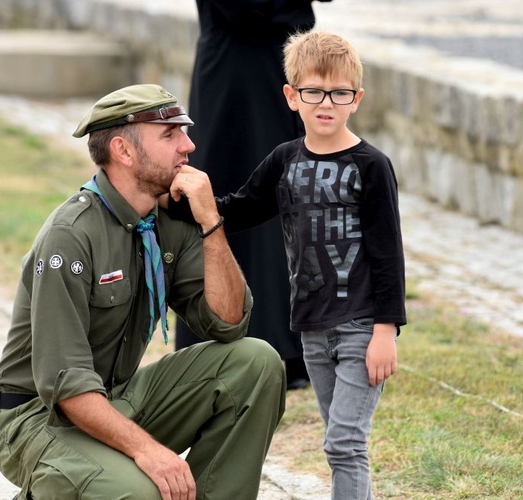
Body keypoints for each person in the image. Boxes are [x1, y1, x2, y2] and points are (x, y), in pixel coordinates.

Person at [0, 84, 286, 500]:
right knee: (141, 491)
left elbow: (228, 323)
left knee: (256, 363)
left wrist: (211, 222)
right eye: (170, 135)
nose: (189, 145)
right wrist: (150, 452)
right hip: (38, 419)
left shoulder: (170, 221)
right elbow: (67, 386)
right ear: (124, 152)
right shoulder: (70, 236)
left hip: (114, 399)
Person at [170, 31, 407, 499]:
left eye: (339, 93)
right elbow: (239, 208)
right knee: (340, 440)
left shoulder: (371, 166)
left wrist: (386, 331)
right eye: (313, 92)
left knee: (344, 442)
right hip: (312, 327)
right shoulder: (285, 161)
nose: (326, 103)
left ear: (355, 99)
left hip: (361, 325)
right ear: (291, 96)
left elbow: (388, 255)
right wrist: (185, 203)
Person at [177, 0, 332, 391]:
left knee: (294, 189)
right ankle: (216, 337)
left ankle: (294, 344)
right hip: (233, 70)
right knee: (229, 196)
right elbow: (241, 10)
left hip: (288, 61)